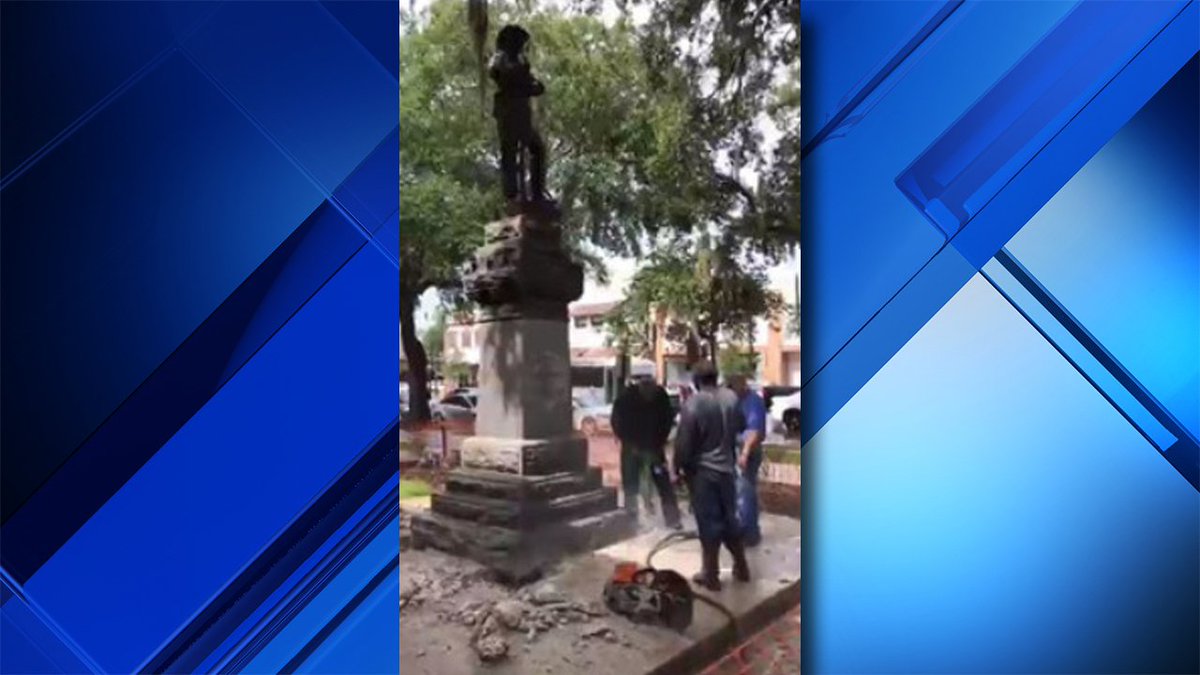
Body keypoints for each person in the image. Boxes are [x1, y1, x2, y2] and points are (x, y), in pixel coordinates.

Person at [673, 362, 751, 591]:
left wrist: (677, 468)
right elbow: (742, 425)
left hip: (703, 473)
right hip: (727, 470)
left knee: (709, 524)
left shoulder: (693, 404)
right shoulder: (732, 398)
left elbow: (684, 443)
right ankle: (741, 566)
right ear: (716, 377)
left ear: (696, 381)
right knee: (729, 519)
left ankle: (711, 575)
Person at [488, 24, 548, 205]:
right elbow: (497, 73)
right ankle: (511, 193)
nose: (522, 47)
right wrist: (520, 81)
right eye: (519, 42)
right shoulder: (500, 58)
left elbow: (538, 87)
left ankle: (537, 193)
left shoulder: (523, 63)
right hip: (507, 113)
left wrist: (528, 85)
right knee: (509, 152)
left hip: (523, 114)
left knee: (537, 148)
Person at [611, 375, 681, 529]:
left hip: (654, 447)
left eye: (652, 392)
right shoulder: (626, 398)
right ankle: (632, 519)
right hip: (631, 447)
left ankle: (673, 518)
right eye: (646, 392)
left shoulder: (660, 397)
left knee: (663, 482)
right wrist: (628, 441)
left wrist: (660, 442)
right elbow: (617, 421)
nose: (649, 395)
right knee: (631, 484)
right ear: (641, 388)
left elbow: (667, 420)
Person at [728, 374, 767, 547]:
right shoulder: (735, 400)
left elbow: (754, 431)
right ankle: (745, 528)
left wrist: (744, 454)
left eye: (733, 386)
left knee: (745, 492)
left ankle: (750, 533)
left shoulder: (753, 402)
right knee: (740, 492)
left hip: (749, 451)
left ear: (742, 385)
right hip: (737, 449)